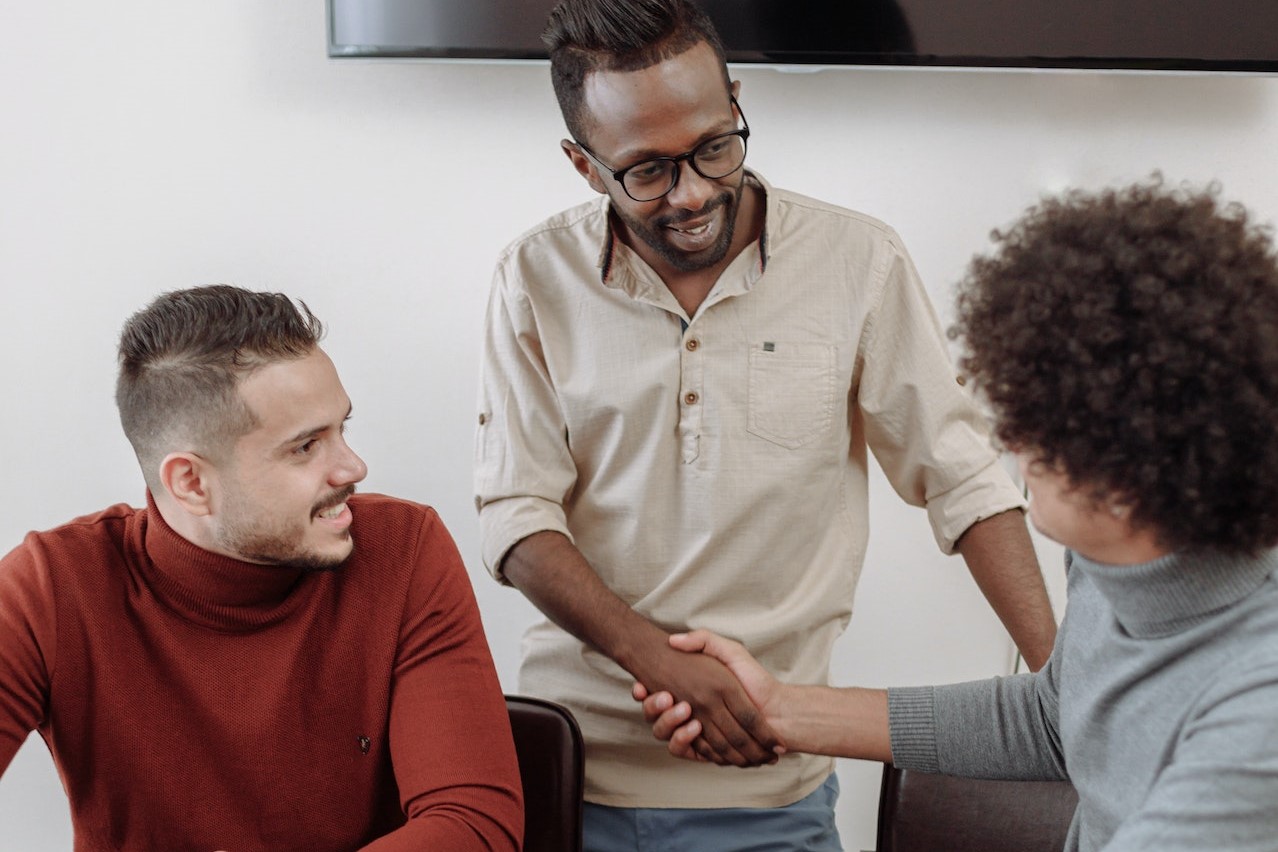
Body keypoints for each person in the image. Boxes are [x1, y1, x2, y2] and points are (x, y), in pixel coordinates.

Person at [474, 0, 1056, 847]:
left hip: (767, 776)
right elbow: (516, 517)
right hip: (567, 776)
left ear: (737, 102)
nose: (695, 192)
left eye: (715, 146)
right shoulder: (531, 278)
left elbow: (963, 478)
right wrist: (660, 662)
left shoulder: (860, 260)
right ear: (583, 165)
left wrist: (1074, 687)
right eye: (647, 170)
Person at [639, 177, 1278, 851]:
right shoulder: (1120, 560)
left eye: (1034, 422)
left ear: (1128, 475)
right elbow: (1058, 716)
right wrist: (781, 709)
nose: (1008, 443)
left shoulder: (1257, 713)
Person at [0, 285, 523, 851]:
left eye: (341, 428)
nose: (353, 466)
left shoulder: (403, 550)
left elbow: (473, 825)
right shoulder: (50, 588)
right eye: (305, 447)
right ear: (192, 483)